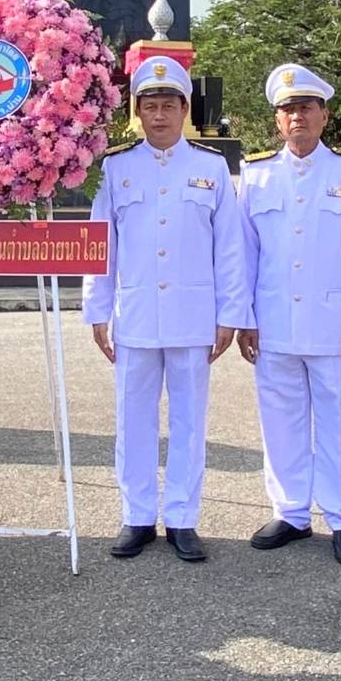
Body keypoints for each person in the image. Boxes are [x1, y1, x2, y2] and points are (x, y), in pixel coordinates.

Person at [83, 56, 249, 563]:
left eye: (168, 105)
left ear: (184, 110)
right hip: (134, 314)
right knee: (132, 419)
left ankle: (182, 517)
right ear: (137, 112)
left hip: (193, 315)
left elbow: (230, 247)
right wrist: (97, 310)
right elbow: (101, 244)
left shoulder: (210, 167)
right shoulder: (116, 167)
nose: (159, 115)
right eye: (150, 106)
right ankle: (136, 515)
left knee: (189, 422)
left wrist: (230, 314)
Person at [236, 63, 341, 567]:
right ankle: (291, 511)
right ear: (277, 120)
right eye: (288, 109)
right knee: (280, 419)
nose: (297, 116)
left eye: (306, 107)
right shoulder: (256, 175)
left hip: (333, 322)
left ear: (324, 115)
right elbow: (244, 254)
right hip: (273, 320)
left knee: (338, 421)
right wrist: (245, 317)